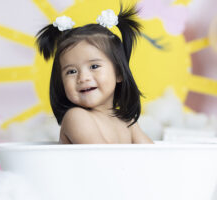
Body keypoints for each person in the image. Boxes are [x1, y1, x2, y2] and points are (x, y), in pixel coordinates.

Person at [36, 5, 153, 144]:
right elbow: (102, 160)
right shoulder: (76, 117)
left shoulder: (127, 121)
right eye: (71, 71)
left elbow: (152, 156)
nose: (83, 78)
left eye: (94, 66)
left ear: (119, 73)